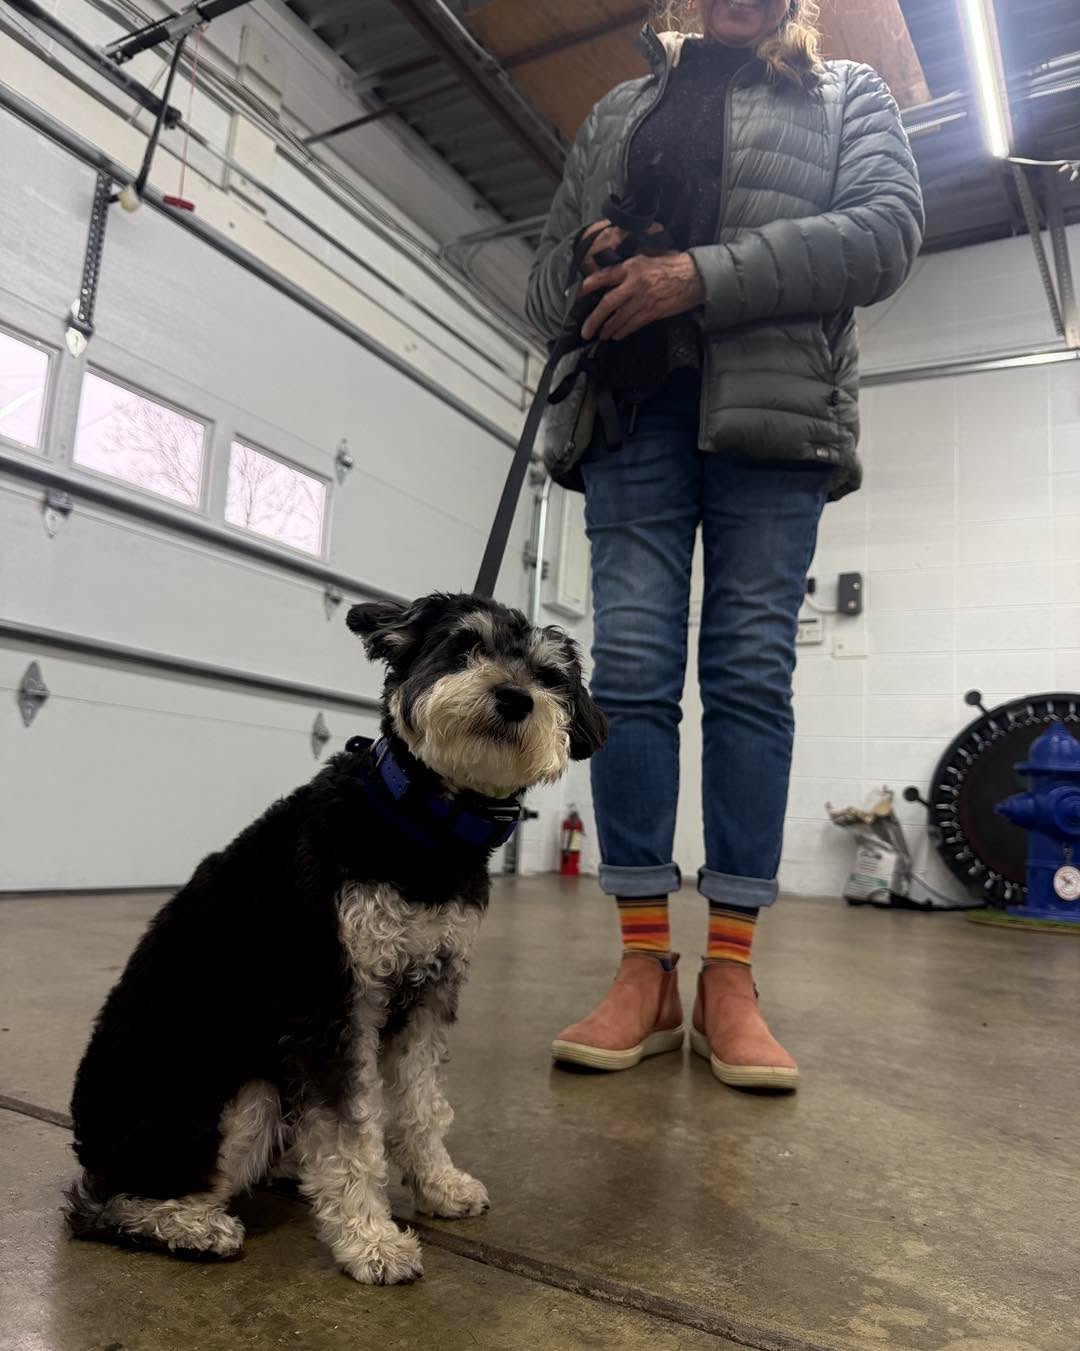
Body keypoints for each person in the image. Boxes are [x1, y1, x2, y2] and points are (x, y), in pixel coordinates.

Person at [526, 0, 923, 1088]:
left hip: (774, 421)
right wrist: (590, 259)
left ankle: (732, 976)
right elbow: (541, 284)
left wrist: (697, 275)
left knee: (750, 676)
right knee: (634, 678)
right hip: (632, 420)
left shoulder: (847, 96)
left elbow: (887, 230)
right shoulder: (618, 108)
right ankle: (645, 967)